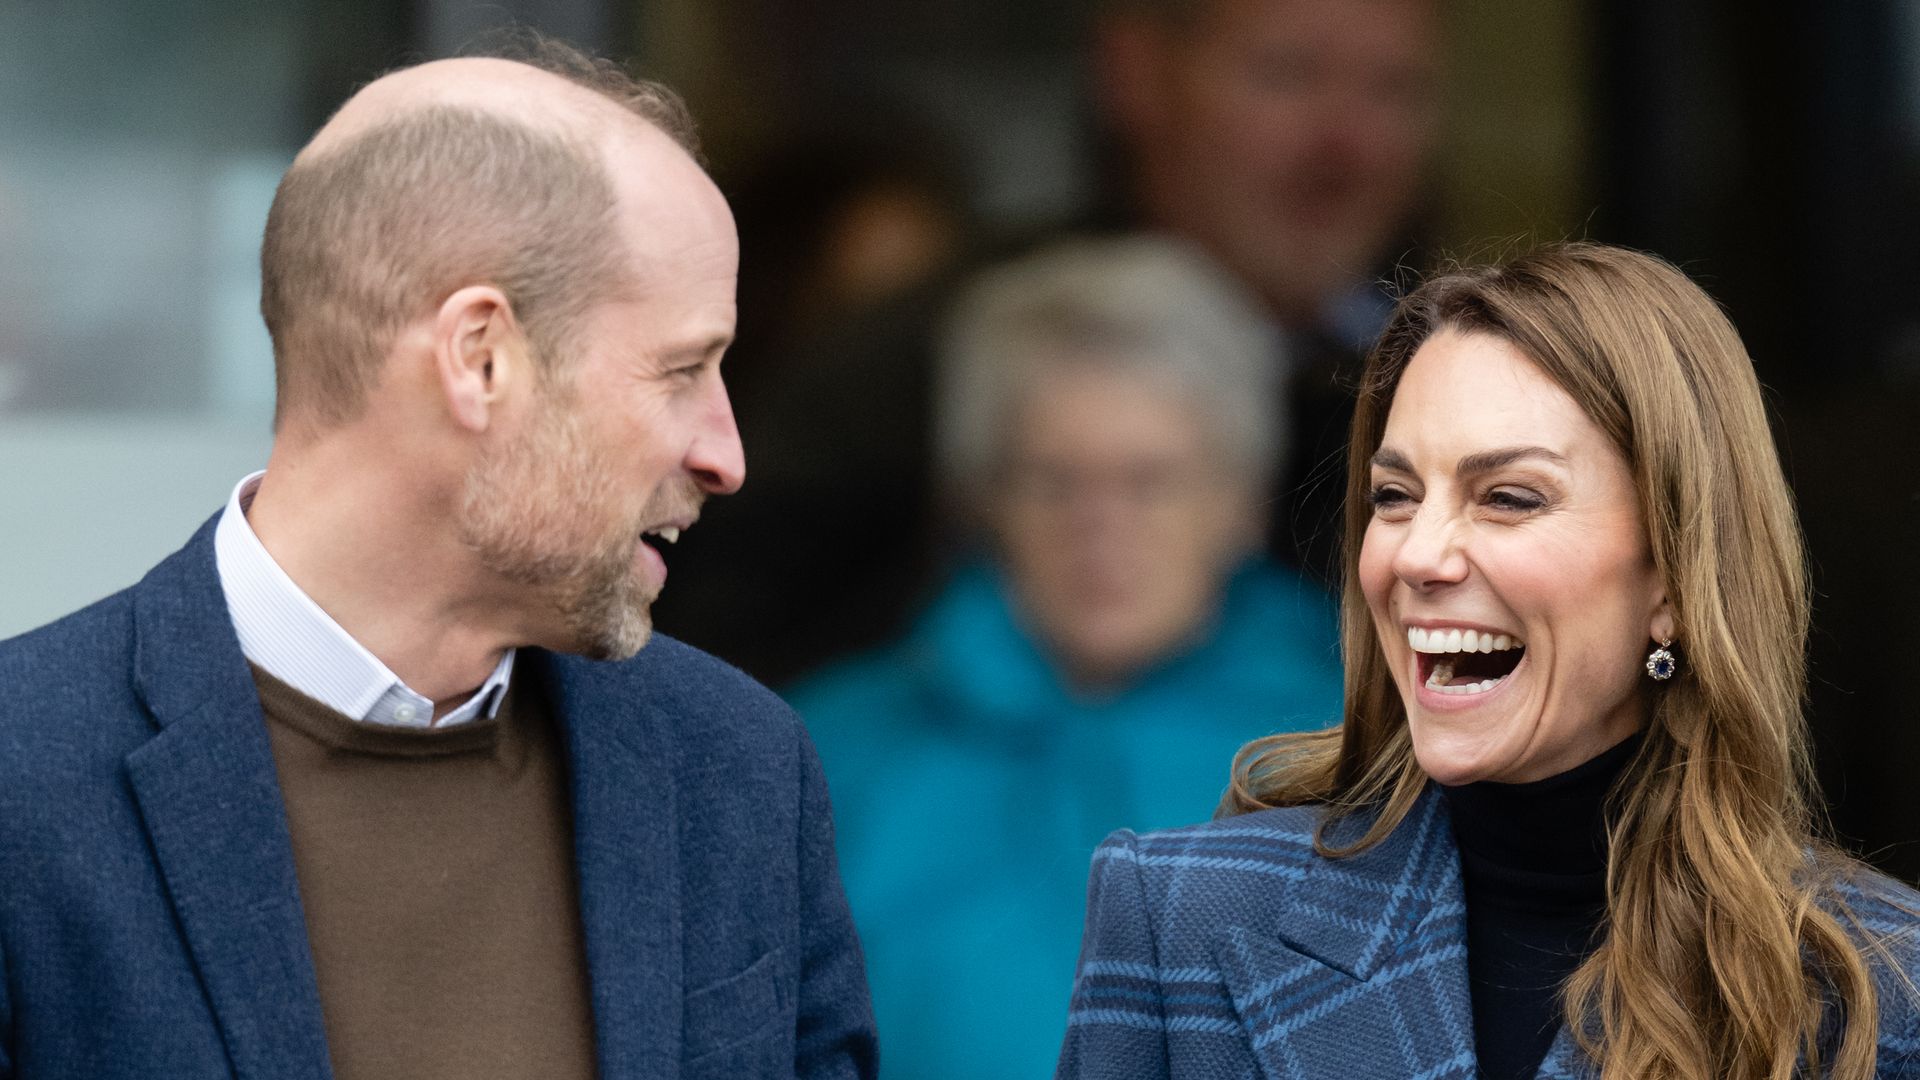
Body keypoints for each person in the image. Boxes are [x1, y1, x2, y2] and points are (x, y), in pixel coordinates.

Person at [0, 42, 876, 1080]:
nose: (724, 455)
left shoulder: (736, 769)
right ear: (481, 359)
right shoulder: (25, 779)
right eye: (681, 369)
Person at [1057, 243, 1920, 1079]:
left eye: (1508, 498)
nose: (1417, 556)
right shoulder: (1179, 918)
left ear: (1672, 579)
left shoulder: (1879, 993)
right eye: (1394, 497)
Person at [792, 235, 1343, 1079]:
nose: (1101, 524)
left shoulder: (1362, 736)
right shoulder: (824, 757)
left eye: (1148, 479)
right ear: (981, 502)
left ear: (1240, 499)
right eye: (1053, 480)